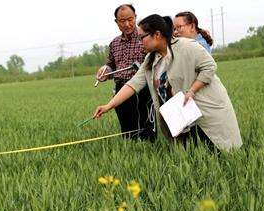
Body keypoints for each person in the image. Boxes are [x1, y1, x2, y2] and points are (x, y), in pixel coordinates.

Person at [93, 15, 242, 151]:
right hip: (181, 116)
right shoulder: (151, 59)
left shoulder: (187, 46)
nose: (139, 43)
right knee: (191, 159)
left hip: (203, 112)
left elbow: (210, 67)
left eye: (142, 37)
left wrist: (192, 91)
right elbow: (133, 84)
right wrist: (109, 106)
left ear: (157, 35)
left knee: (218, 153)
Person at [95, 4, 155, 141]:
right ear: (116, 22)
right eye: (122, 21)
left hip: (142, 89)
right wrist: (105, 71)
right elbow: (111, 65)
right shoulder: (114, 43)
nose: (127, 24)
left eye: (130, 19)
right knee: (126, 128)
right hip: (121, 90)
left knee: (145, 125)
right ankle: (129, 150)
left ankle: (149, 150)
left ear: (135, 17)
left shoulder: (145, 38)